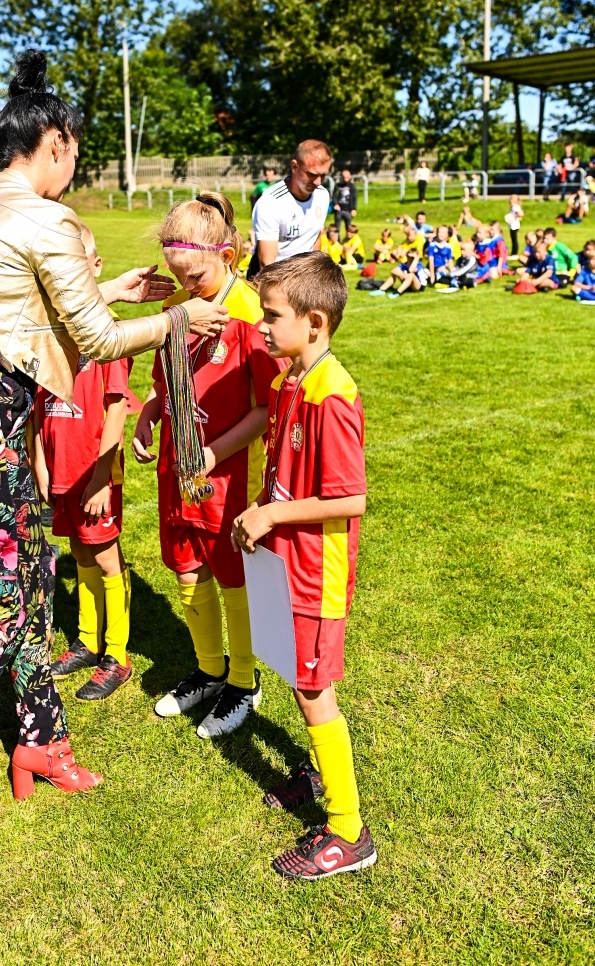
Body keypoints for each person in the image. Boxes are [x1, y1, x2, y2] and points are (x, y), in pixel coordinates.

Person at [0, 49, 229, 842]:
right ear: (56, 144)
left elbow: (12, 317)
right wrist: (176, 320)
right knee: (4, 608)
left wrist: (107, 289)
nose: (75, 168)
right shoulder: (47, 217)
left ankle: (42, 742)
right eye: (75, 152)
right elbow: (96, 341)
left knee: (33, 582)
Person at [232, 252, 375, 880]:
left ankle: (348, 831)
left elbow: (350, 497)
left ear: (314, 322)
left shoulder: (332, 395)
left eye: (272, 315)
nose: (261, 325)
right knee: (298, 677)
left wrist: (272, 516)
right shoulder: (289, 381)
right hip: (288, 562)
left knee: (314, 690)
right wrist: (261, 510)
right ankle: (318, 771)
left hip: (318, 572)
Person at [133, 192, 280, 739]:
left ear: (227, 255)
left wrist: (212, 455)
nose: (185, 286)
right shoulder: (181, 307)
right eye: (177, 275)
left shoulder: (251, 314)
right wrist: (149, 413)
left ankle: (243, 681)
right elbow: (162, 378)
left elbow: (265, 410)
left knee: (231, 572)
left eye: (193, 275)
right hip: (180, 466)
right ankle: (209, 669)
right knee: (186, 565)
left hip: (228, 474)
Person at [33, 227, 134, 700]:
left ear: (95, 267)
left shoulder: (108, 331)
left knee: (107, 557)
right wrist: (40, 463)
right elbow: (39, 406)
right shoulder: (50, 331)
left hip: (93, 474)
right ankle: (88, 641)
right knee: (80, 553)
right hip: (59, 470)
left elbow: (117, 408)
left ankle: (117, 654)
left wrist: (100, 477)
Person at [250, 140, 332, 275]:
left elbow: (315, 238)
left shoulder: (322, 195)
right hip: (273, 279)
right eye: (312, 174)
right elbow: (267, 265)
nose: (318, 182)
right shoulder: (271, 202)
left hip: (303, 278)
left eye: (323, 175)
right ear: (294, 167)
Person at [332, 167, 357, 239]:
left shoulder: (352, 186)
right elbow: (334, 195)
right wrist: (336, 204)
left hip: (348, 210)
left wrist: (354, 209)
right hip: (339, 210)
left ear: (350, 177)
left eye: (347, 177)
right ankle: (337, 241)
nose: (345, 179)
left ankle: (348, 241)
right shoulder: (337, 185)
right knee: (337, 228)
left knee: (349, 228)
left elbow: (354, 198)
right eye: (344, 177)